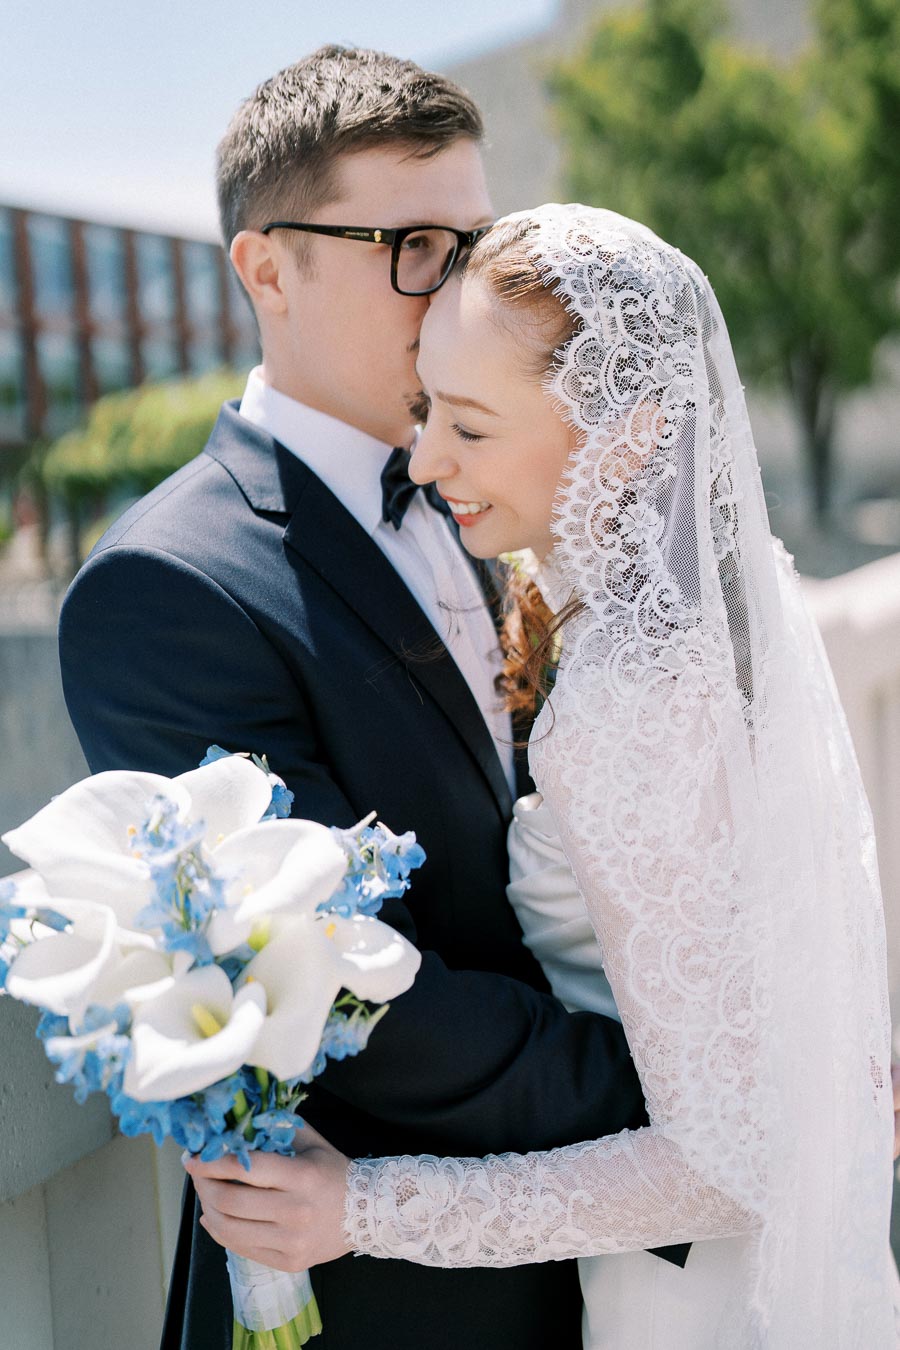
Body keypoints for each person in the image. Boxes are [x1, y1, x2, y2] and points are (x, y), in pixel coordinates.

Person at [58, 51, 689, 1350]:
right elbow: (358, 989)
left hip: (582, 1259)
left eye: (475, 243)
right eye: (411, 244)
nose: (457, 288)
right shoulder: (165, 588)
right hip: (386, 1290)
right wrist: (698, 1108)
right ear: (267, 270)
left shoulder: (500, 496)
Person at [186, 206, 900, 1347]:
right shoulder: (722, 610)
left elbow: (728, 1167)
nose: (424, 462)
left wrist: (363, 1209)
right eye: (427, 411)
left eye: (467, 425)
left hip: (701, 1297)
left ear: (627, 436)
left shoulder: (634, 702)